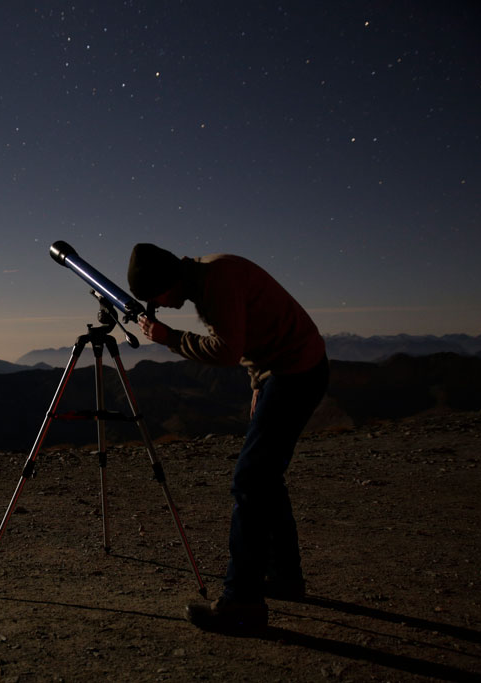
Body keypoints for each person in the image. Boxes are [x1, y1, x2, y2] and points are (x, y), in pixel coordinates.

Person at [126, 243, 329, 631]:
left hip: (296, 372)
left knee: (251, 480)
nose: (158, 306)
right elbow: (256, 333)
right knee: (265, 476)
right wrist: (259, 383)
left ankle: (242, 602)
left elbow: (225, 350)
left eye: (155, 297)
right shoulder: (208, 275)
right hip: (288, 369)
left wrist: (170, 338)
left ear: (169, 281)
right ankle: (285, 576)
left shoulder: (216, 282)